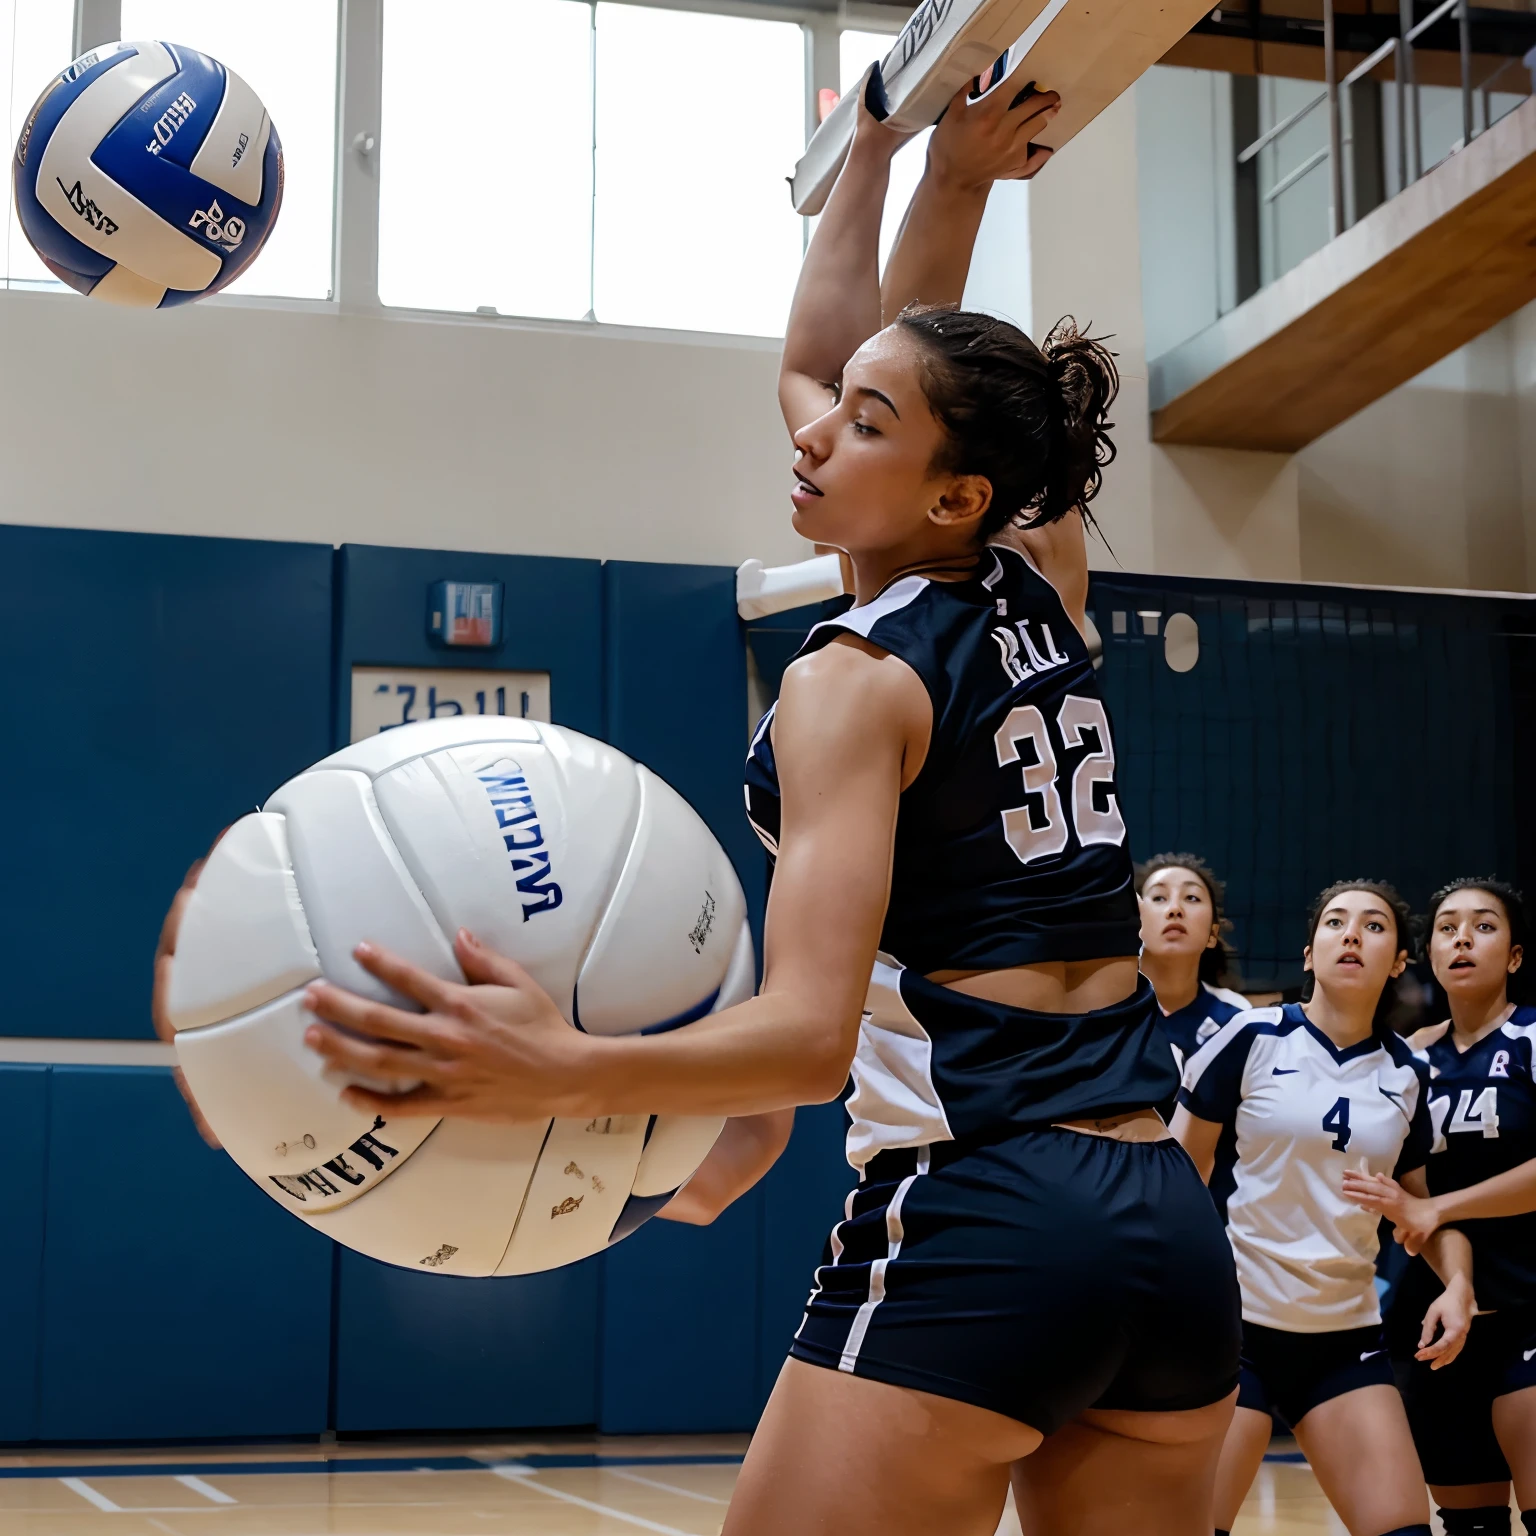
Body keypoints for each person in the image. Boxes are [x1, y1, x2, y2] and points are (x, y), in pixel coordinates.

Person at [156, 69, 1242, 1535]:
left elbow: (803, 1036)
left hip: (989, 1215)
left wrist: (560, 1072)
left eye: (860, 426)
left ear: (948, 495)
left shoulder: (852, 682)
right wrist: (911, 162)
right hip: (1166, 1223)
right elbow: (850, 351)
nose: (809, 429)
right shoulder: (1041, 571)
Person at [1174, 880, 1476, 1536]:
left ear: (1398, 961)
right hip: (1236, 1333)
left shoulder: (1408, 1075)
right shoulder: (1252, 1037)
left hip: (1345, 1340)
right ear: (1309, 953)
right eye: (1336, 922)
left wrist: (1457, 1285)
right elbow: (1178, 1172)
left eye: (1374, 927)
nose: (1351, 935)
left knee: (1405, 1531)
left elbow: (1425, 1212)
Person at [1344, 879, 1536, 1536]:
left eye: (1483, 926)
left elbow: (1429, 1203)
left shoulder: (1534, 1039)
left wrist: (1439, 1207)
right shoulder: (1406, 1062)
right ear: (1427, 954)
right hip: (1433, 1315)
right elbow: (1395, 1186)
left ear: (1514, 956)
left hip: (1526, 1304)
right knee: (1469, 1524)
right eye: (1448, 927)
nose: (1462, 938)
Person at [1136, 853, 1250, 1075]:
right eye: (1159, 898)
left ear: (1212, 934)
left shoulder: (1237, 1016)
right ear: (1135, 923)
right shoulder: (1106, 1009)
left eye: (1192, 898)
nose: (1175, 909)